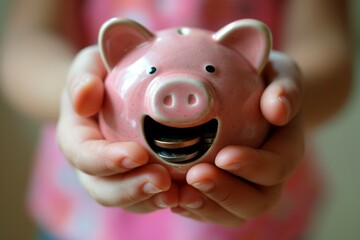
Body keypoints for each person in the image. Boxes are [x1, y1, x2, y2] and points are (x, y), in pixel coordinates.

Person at [0, 0, 353, 239]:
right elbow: (28, 40)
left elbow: (328, 48)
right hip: (86, 213)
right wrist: (77, 95)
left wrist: (291, 95)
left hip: (262, 198)